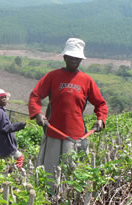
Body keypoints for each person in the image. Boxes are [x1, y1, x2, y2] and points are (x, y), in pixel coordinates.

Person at [28, 38, 108, 182]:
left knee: (72, 172)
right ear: (64, 57)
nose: (74, 60)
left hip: (76, 135)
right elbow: (35, 95)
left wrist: (100, 119)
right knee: (50, 173)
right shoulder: (53, 76)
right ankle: (50, 199)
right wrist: (37, 114)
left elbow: (100, 104)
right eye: (71, 57)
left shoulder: (87, 80)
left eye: (77, 58)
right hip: (53, 131)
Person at [0, 89, 26, 169]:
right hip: (4, 145)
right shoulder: (0, 112)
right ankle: (13, 174)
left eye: (5, 97)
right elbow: (4, 128)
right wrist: (20, 125)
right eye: (2, 97)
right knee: (19, 158)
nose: (5, 99)